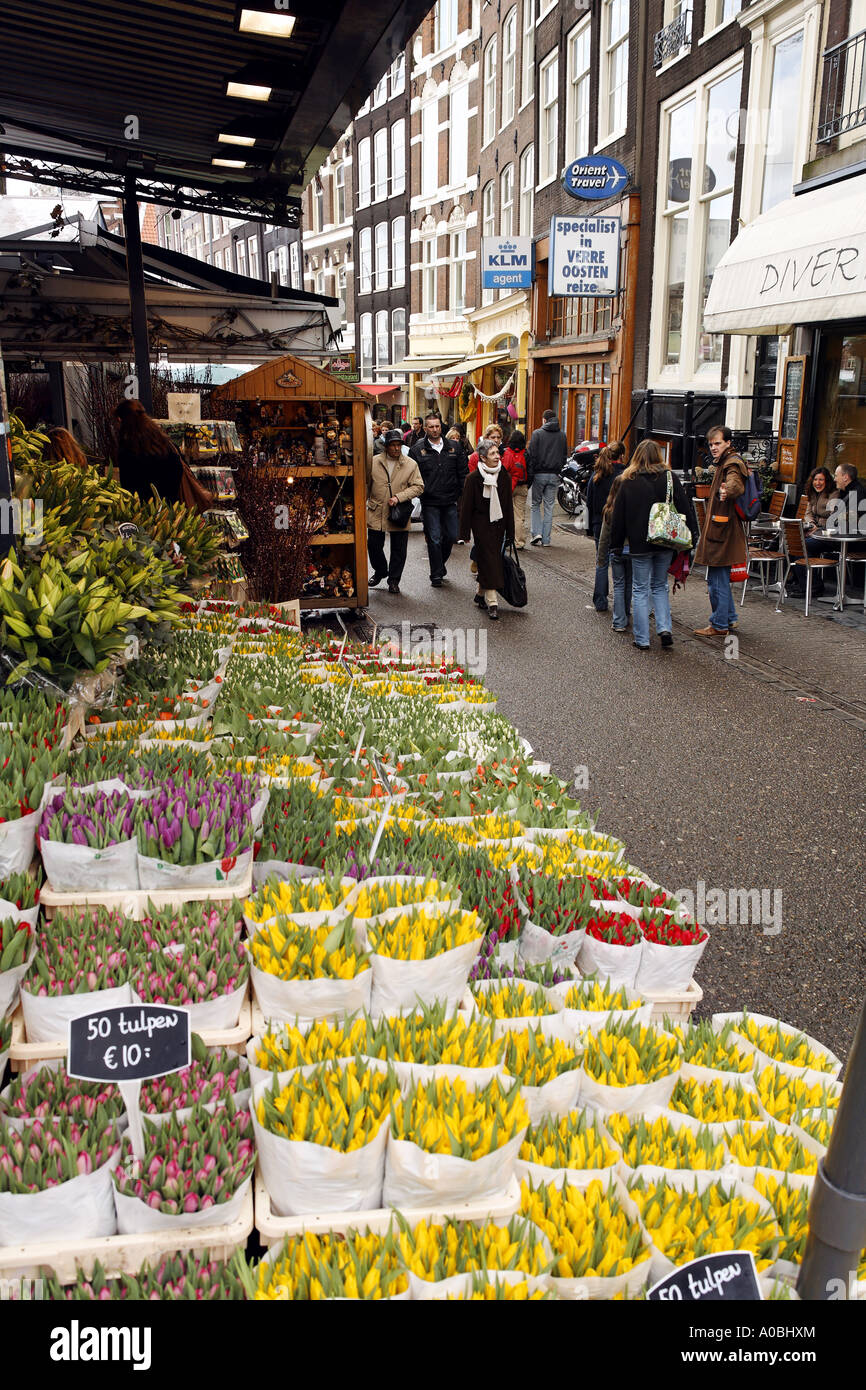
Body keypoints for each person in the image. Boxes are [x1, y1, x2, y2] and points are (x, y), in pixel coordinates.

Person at [610, 439, 697, 650]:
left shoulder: (628, 480)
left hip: (639, 544)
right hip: (665, 541)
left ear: (637, 456)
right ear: (659, 456)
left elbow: (618, 517)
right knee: (660, 586)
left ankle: (642, 639)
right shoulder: (669, 478)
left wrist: (616, 545)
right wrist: (691, 536)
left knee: (640, 589)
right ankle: (664, 628)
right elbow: (686, 508)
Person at [692, 425, 749, 636]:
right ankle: (730, 618)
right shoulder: (726, 461)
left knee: (717, 581)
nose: (713, 448)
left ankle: (719, 624)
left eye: (717, 443)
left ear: (728, 443)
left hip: (722, 532)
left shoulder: (732, 463)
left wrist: (728, 490)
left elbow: (735, 484)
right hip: (722, 529)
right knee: (720, 578)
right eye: (710, 444)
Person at [409, 412, 468, 587]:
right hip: (430, 502)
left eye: (437, 426)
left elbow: (463, 474)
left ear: (441, 426)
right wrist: (420, 493)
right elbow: (413, 477)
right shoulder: (417, 450)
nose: (435, 429)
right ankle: (436, 574)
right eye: (431, 426)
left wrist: (463, 495)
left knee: (450, 536)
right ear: (425, 428)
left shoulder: (454, 448)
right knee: (434, 538)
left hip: (450, 500)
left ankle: (440, 565)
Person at [459, 439, 514, 620]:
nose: (497, 456)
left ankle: (479, 594)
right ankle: (493, 602)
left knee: (489, 559)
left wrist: (511, 532)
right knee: (490, 560)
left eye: (498, 453)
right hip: (481, 525)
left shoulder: (504, 476)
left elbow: (507, 506)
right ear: (482, 458)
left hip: (499, 525)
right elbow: (466, 507)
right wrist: (464, 533)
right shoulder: (473, 479)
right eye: (492, 454)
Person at [366, 429, 424, 595]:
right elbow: (366, 485)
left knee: (399, 549)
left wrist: (399, 497)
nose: (396, 448)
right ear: (386, 446)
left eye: (399, 445)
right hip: (377, 509)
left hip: (399, 511)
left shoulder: (411, 464)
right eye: (393, 445)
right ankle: (381, 570)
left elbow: (419, 486)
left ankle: (394, 580)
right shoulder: (374, 462)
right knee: (374, 545)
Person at [114, 399, 182, 503]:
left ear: (121, 420)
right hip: (171, 508)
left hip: (144, 510)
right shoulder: (165, 443)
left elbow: (128, 485)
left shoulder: (129, 448)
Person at [585, 442, 627, 612]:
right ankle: (623, 605)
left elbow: (589, 502)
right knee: (623, 566)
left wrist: (589, 526)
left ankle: (601, 601)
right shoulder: (626, 475)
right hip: (621, 525)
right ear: (622, 456)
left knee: (602, 562)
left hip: (598, 523)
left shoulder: (598, 474)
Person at [596, 473, 632, 633]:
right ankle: (626, 612)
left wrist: (601, 557)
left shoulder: (609, 510)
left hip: (616, 552)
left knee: (619, 585)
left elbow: (604, 538)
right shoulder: (634, 509)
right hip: (632, 551)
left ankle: (618, 621)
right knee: (630, 584)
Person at [527, 409, 567, 547]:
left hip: (539, 474)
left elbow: (532, 455)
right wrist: (558, 469)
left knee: (535, 504)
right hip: (554, 474)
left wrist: (532, 472)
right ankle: (546, 540)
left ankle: (536, 533)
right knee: (549, 507)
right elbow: (564, 455)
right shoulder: (562, 435)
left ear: (544, 420)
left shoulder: (537, 434)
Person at [501, 429, 529, 549]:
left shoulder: (506, 452)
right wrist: (527, 484)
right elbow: (531, 471)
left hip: (508, 486)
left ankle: (505, 539)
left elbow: (503, 470)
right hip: (522, 486)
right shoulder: (526, 453)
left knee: (505, 513)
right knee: (519, 516)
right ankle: (519, 542)